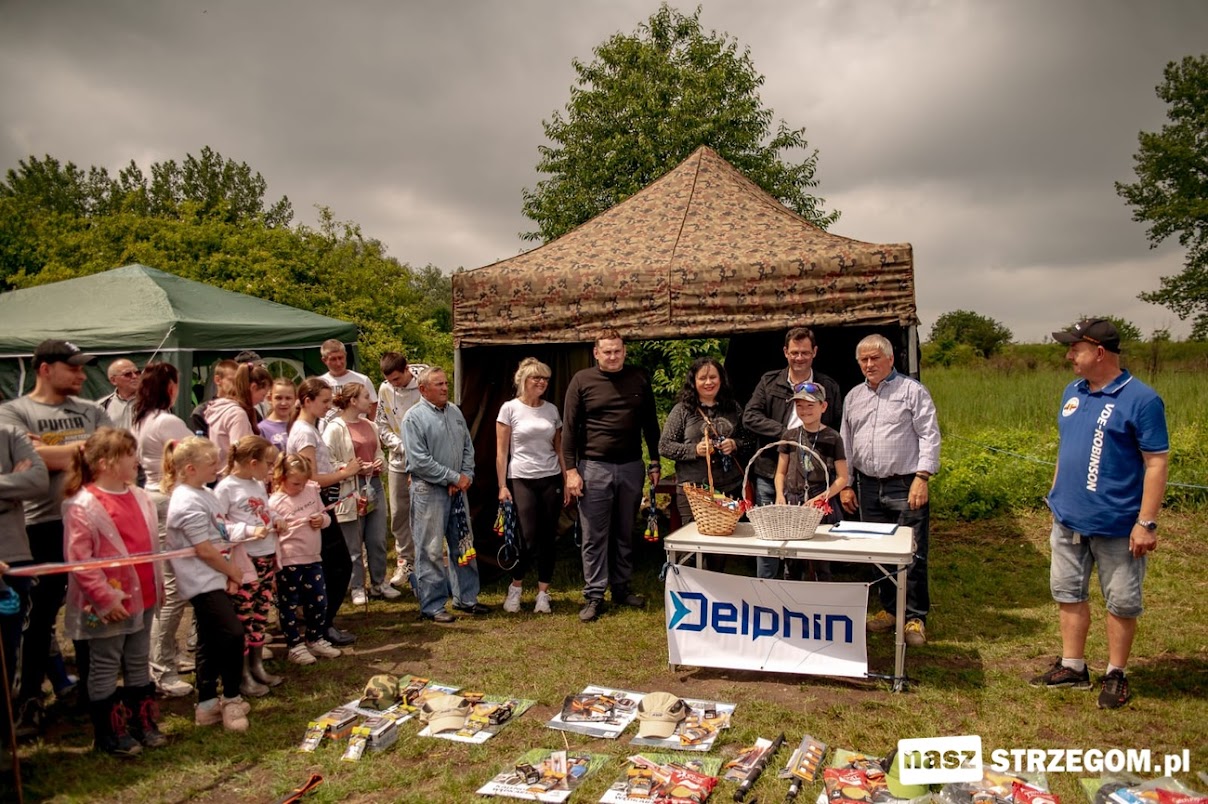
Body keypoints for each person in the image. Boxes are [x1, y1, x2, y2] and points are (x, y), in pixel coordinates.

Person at [1029, 319, 1169, 709]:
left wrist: (1146, 522)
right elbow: (1067, 446)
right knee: (1067, 592)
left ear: (1100, 352)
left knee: (1121, 601)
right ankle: (1073, 666)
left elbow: (1156, 463)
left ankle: (1116, 673)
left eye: (1076, 349)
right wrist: (1055, 493)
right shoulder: (1072, 392)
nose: (1068, 356)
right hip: (1068, 518)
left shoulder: (1141, 399)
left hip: (1117, 524)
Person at [0, 339, 112, 736]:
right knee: (38, 617)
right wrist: (83, 450)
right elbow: (32, 466)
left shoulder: (92, 410)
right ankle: (29, 698)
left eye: (83, 367)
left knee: (93, 606)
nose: (82, 374)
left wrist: (47, 453)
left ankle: (93, 691)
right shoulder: (14, 411)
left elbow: (111, 456)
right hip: (39, 525)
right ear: (45, 369)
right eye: (73, 367)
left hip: (92, 521)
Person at [61, 428, 165, 757]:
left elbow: (150, 545)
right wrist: (105, 597)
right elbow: (80, 560)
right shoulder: (83, 505)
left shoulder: (140, 496)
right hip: (109, 605)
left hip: (143, 596)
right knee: (105, 664)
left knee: (138, 659)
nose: (137, 459)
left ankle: (141, 721)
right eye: (129, 454)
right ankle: (109, 732)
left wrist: (157, 584)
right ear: (106, 463)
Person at [839, 334, 940, 648]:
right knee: (877, 552)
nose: (869, 365)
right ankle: (890, 610)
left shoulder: (912, 391)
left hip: (905, 484)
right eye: (864, 360)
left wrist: (922, 477)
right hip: (867, 486)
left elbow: (929, 435)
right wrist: (846, 484)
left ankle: (915, 617)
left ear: (890, 359)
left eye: (875, 358)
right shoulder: (853, 396)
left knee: (912, 552)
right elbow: (846, 442)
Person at [562, 331, 660, 623]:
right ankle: (594, 595)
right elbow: (569, 429)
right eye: (607, 352)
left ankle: (621, 588)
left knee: (624, 531)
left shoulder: (639, 378)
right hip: (594, 467)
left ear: (624, 351)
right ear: (596, 353)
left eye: (617, 351)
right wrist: (571, 471)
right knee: (594, 535)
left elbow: (650, 423)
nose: (613, 356)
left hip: (631, 466)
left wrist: (655, 461)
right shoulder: (582, 381)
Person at [162, 436, 251, 732]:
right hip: (201, 581)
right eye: (212, 463)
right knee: (233, 634)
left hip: (217, 576)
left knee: (209, 639)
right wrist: (232, 572)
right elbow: (204, 549)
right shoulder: (185, 501)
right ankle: (232, 697)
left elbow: (221, 533)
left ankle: (207, 704)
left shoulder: (205, 492)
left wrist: (229, 572)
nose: (218, 467)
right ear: (190, 469)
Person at [743, 326, 842, 580]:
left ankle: (812, 592)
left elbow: (836, 427)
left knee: (815, 544)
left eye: (805, 353)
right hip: (771, 472)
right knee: (768, 540)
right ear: (785, 352)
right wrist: (789, 434)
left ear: (815, 352)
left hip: (815, 482)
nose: (800, 358)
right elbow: (750, 416)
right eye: (795, 352)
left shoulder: (828, 386)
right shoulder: (769, 382)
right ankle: (767, 590)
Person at [131, 361, 196, 698]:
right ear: (170, 386)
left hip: (158, 497)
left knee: (171, 588)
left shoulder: (142, 419)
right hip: (168, 500)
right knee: (173, 591)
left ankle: (167, 655)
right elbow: (195, 455)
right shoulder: (166, 421)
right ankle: (161, 669)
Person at [402, 366, 487, 623]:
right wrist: (452, 477)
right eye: (438, 384)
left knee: (463, 543)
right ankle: (432, 605)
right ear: (423, 389)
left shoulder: (454, 411)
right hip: (428, 491)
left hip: (457, 490)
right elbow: (419, 461)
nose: (445, 388)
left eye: (446, 383)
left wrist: (465, 476)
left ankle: (467, 598)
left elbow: (467, 446)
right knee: (430, 549)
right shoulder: (413, 418)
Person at [286, 378, 362, 646]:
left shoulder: (309, 428)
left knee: (333, 565)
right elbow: (310, 477)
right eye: (325, 401)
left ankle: (321, 623)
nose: (329, 406)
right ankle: (322, 624)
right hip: (313, 505)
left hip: (317, 504)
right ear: (307, 401)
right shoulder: (304, 432)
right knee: (337, 566)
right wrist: (345, 473)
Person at [215, 436, 285, 696]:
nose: (271, 469)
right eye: (268, 463)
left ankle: (257, 666)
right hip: (246, 562)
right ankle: (241, 673)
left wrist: (276, 519)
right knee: (244, 616)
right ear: (253, 463)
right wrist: (247, 530)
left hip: (266, 557)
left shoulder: (257, 484)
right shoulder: (226, 488)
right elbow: (219, 525)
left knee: (260, 613)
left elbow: (264, 511)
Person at [495, 357, 567, 614]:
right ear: (523, 380)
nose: (542, 382)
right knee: (526, 536)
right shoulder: (509, 409)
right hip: (521, 478)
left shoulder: (551, 410)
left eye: (545, 378)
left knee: (548, 536)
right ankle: (515, 588)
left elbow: (559, 448)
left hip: (550, 477)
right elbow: (501, 452)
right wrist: (502, 485)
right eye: (536, 377)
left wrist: (566, 479)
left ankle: (543, 594)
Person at [659, 356, 750, 528]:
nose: (708, 382)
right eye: (702, 378)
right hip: (694, 491)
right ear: (694, 381)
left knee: (728, 537)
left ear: (721, 379)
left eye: (713, 377)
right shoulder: (682, 410)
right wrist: (695, 450)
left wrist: (734, 444)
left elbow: (748, 440)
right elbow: (665, 446)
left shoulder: (733, 408)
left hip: (730, 488)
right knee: (694, 539)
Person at [269, 453, 343, 666]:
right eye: (295, 483)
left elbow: (325, 515)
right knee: (289, 604)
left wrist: (322, 520)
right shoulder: (274, 503)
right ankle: (294, 645)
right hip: (289, 561)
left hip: (313, 557)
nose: (300, 487)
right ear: (281, 477)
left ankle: (315, 638)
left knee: (319, 600)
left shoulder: (311, 490)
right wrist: (274, 567)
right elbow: (271, 538)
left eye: (303, 482)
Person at [324, 382, 394, 604]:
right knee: (353, 542)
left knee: (377, 539)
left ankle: (379, 583)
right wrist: (350, 468)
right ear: (353, 401)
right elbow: (327, 461)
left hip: (373, 486)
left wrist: (379, 463)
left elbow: (378, 452)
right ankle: (357, 587)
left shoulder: (370, 425)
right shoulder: (335, 428)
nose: (370, 401)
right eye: (365, 397)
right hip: (350, 489)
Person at [773, 384, 848, 581]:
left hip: (820, 502)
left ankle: (821, 595)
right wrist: (780, 494)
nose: (804, 411)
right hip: (793, 501)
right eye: (799, 406)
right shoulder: (790, 435)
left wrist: (822, 498)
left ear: (823, 406)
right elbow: (780, 472)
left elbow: (843, 477)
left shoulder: (833, 437)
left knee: (820, 560)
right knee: (792, 559)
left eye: (810, 405)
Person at [0, 425, 48, 717]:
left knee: (8, 653)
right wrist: (12, 485)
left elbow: (38, 481)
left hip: (13, 556)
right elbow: (23, 484)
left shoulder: (10, 435)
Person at [376, 352, 427, 588]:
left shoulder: (424, 382)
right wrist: (399, 445)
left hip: (425, 459)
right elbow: (381, 424)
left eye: (397, 379)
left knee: (424, 511)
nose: (394, 384)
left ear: (407, 369)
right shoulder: (385, 389)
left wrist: (417, 449)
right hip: (398, 459)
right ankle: (405, 560)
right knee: (398, 513)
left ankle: (426, 561)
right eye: (390, 380)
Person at [205, 362, 272, 469]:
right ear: (253, 387)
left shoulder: (221, 408)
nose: (262, 400)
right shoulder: (237, 414)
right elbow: (241, 455)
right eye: (263, 395)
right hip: (234, 475)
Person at [319, 339, 378, 420]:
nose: (338, 363)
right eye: (333, 359)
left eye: (340, 358)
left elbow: (373, 407)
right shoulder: (320, 383)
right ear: (324, 360)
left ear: (345, 355)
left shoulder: (362, 380)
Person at [189, 359, 238, 437]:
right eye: (232, 380)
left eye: (239, 381)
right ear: (217, 380)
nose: (236, 386)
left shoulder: (247, 410)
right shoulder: (200, 413)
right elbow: (200, 443)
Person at [97, 358, 141, 431]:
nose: (134, 376)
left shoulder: (155, 401)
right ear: (113, 380)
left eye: (137, 372)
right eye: (128, 374)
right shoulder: (102, 406)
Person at [258, 377, 296, 453]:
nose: (283, 403)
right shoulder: (262, 429)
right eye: (278, 398)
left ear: (295, 399)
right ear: (269, 399)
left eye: (288, 398)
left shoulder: (299, 424)